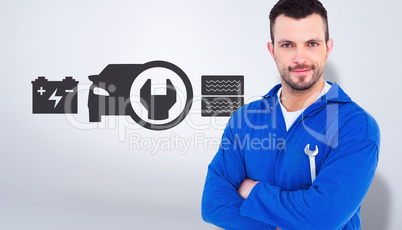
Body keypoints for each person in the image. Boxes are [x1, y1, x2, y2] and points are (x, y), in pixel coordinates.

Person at [201, 0, 380, 229]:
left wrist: (252, 189)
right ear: (271, 49)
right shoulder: (244, 120)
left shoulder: (356, 126)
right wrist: (284, 223)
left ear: (328, 47)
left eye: (312, 43)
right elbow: (213, 204)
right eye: (287, 45)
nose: (300, 58)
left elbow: (321, 219)